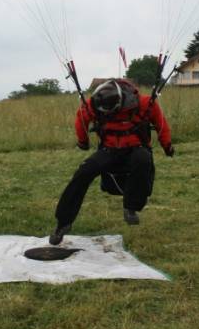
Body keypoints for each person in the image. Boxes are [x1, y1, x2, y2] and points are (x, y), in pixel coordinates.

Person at [50, 78, 174, 244]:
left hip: (135, 149)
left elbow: (161, 124)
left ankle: (131, 207)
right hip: (109, 150)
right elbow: (81, 118)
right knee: (84, 171)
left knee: (143, 159)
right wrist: (83, 141)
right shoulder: (94, 103)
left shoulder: (144, 103)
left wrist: (167, 146)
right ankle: (63, 223)